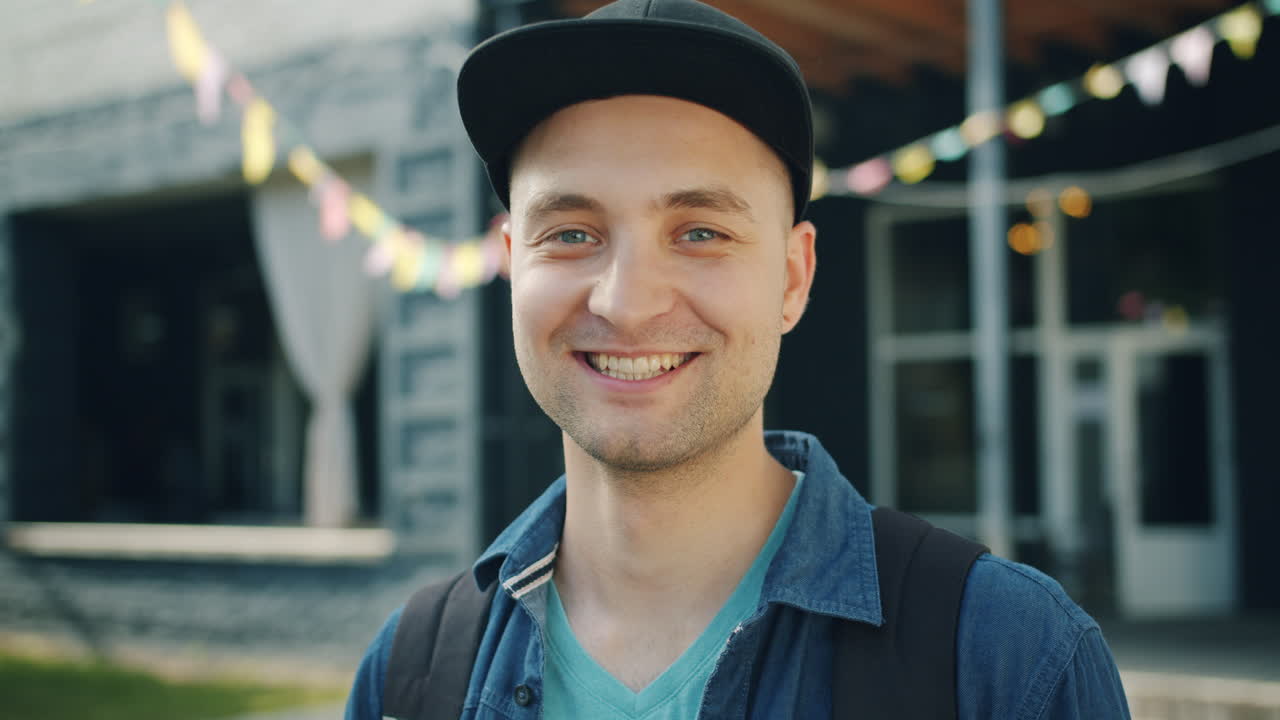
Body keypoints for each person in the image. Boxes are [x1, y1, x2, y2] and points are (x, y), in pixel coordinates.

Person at [346, 0, 1132, 718]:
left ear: (793, 279)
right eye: (572, 234)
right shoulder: (408, 674)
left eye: (700, 232)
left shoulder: (1009, 660)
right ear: (513, 263)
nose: (626, 303)